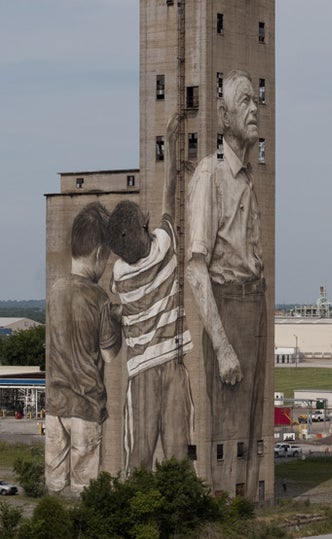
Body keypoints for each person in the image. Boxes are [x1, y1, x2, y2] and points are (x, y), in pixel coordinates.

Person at [186, 69, 266, 496]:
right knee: (227, 433)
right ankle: (222, 514)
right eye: (245, 102)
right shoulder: (209, 176)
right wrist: (221, 343)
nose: (254, 110)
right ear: (223, 114)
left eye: (256, 101)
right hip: (228, 308)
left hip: (254, 305)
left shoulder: (247, 178)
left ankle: (247, 514)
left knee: (252, 432)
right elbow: (195, 267)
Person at [108, 114, 193, 473]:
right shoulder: (166, 247)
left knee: (136, 461)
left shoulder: (119, 276)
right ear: (145, 225)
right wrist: (172, 148)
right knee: (181, 458)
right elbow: (168, 197)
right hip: (173, 368)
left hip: (141, 374)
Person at [45, 202, 121, 496]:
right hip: (86, 408)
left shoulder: (55, 291)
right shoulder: (99, 298)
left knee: (54, 484)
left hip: (55, 405)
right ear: (100, 254)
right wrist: (118, 323)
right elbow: (109, 354)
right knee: (84, 491)